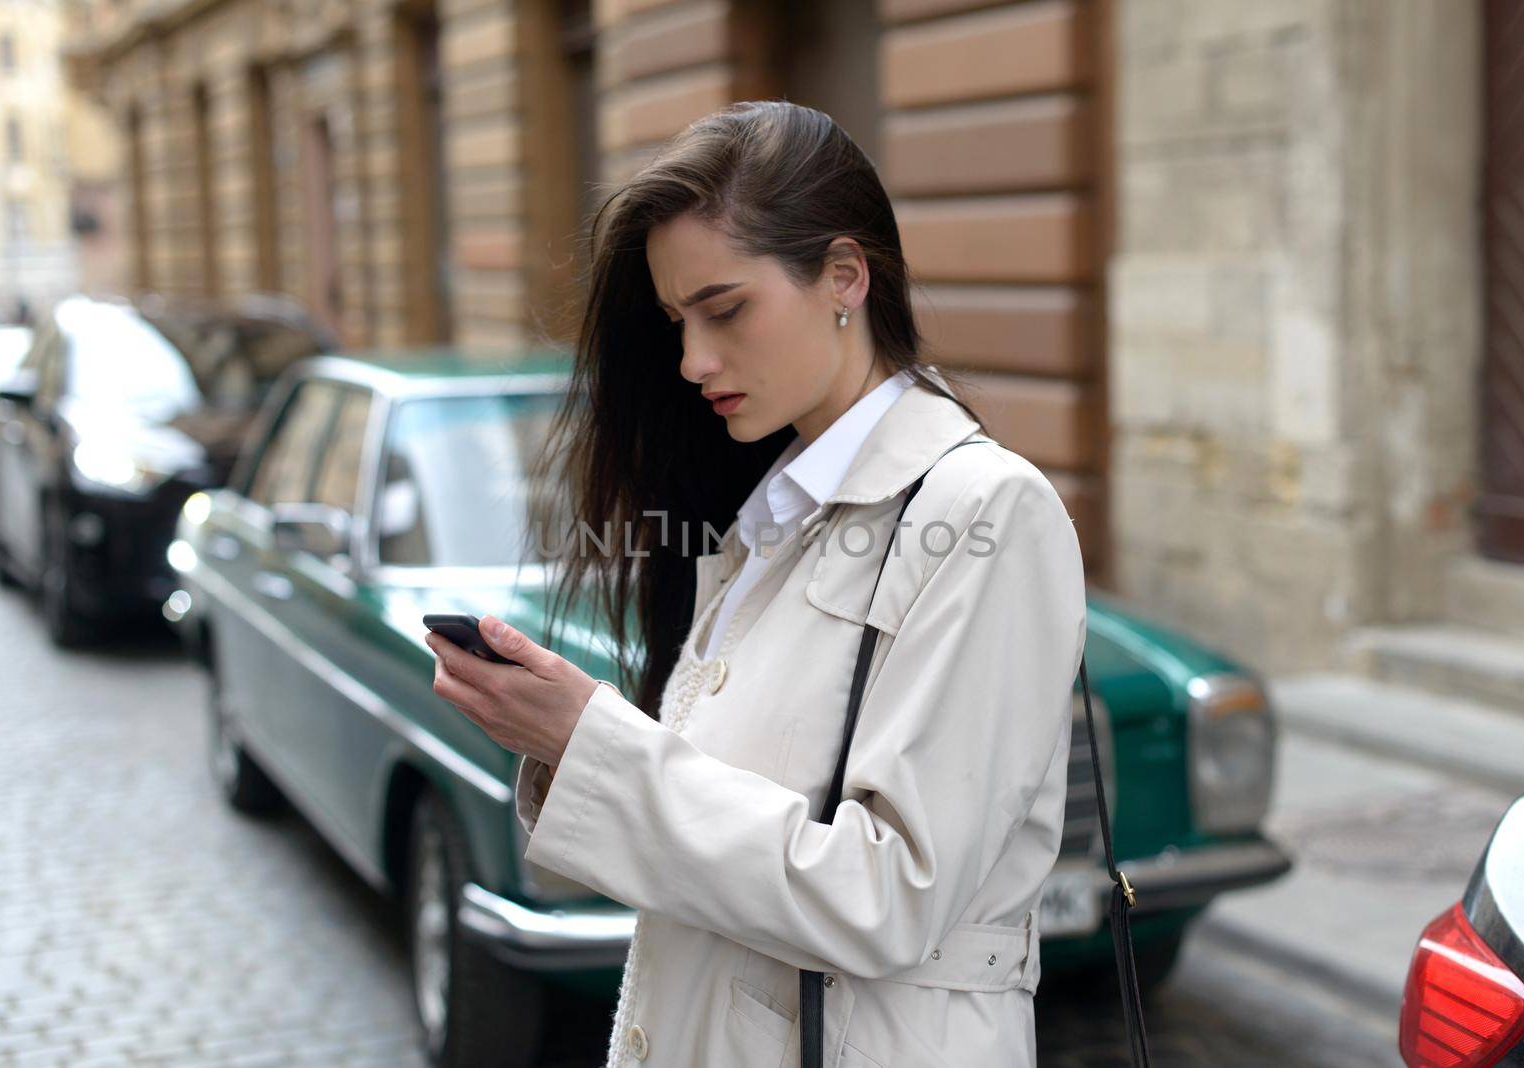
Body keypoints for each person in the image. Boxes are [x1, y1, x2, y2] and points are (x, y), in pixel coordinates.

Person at [423, 99, 1087, 1067]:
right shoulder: (767, 514)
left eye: (725, 309)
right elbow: (721, 823)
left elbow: (888, 896)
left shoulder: (986, 511)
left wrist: (591, 742)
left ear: (844, 277)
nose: (693, 361)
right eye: (676, 321)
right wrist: (562, 741)